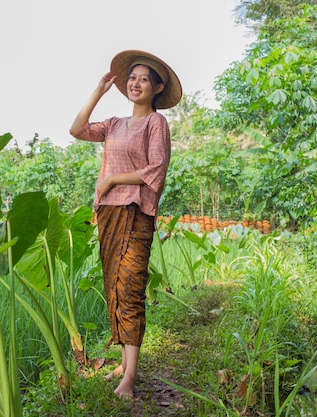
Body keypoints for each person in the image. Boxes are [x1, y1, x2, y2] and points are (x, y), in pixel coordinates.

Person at [69, 50, 182, 398]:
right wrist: (98, 91)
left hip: (135, 211)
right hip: (108, 213)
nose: (136, 83)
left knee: (130, 286)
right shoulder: (116, 123)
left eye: (144, 79)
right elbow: (76, 130)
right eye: (132, 78)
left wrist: (113, 180)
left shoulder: (156, 123)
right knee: (114, 286)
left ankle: (130, 378)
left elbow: (156, 170)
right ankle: (124, 363)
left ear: (157, 87)